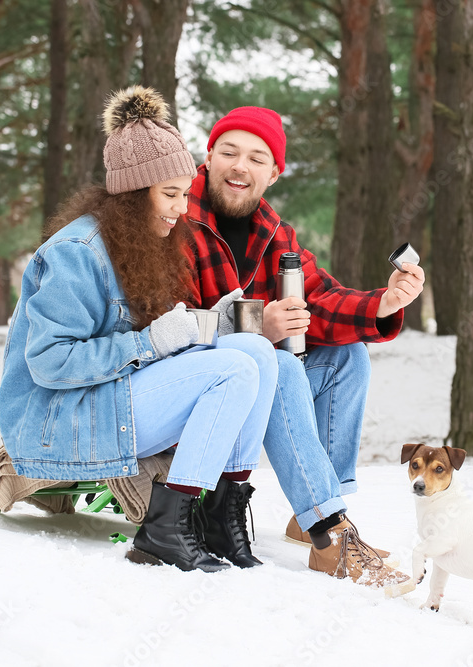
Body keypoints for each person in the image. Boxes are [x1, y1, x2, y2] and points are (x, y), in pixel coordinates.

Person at [0, 87, 278, 573]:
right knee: (233, 369)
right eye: (170, 194)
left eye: (184, 193)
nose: (181, 208)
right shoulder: (77, 252)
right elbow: (49, 362)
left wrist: (207, 325)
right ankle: (166, 531)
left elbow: (158, 343)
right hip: (61, 422)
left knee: (255, 350)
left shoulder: (144, 240)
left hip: (108, 402)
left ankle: (220, 513)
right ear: (132, 193)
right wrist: (150, 342)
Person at [185, 106, 425, 587]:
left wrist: (382, 304)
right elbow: (171, 321)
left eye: (257, 158)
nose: (240, 166)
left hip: (256, 389)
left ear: (274, 174)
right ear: (208, 158)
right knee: (279, 364)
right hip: (196, 395)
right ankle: (329, 534)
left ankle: (312, 510)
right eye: (228, 152)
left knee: (346, 355)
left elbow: (320, 298)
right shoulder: (176, 217)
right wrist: (256, 325)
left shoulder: (275, 233)